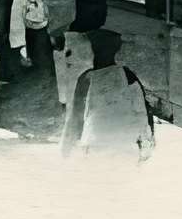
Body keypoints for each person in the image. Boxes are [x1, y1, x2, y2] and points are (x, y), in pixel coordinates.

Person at [60, 28, 155, 165]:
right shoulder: (127, 74)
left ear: (94, 51)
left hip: (96, 149)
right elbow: (143, 111)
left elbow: (75, 119)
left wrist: (66, 150)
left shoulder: (87, 79)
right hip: (126, 147)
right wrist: (147, 146)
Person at [0, 0, 59, 141]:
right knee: (25, 82)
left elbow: (48, 20)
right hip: (27, 43)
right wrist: (22, 50)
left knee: (45, 80)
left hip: (42, 44)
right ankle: (16, 122)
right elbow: (17, 26)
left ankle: (42, 123)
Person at [54, 0, 107, 113]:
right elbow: (101, 18)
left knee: (72, 76)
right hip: (93, 37)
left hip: (77, 38)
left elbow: (72, 19)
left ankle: (69, 106)